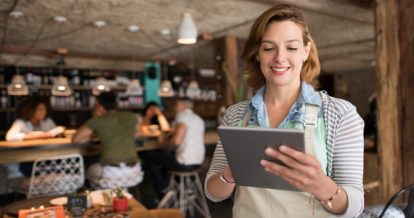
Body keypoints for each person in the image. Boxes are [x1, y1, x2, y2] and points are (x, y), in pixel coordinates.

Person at [205, 4, 364, 218]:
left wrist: (321, 186)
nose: (280, 57)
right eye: (269, 48)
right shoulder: (236, 115)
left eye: (291, 47)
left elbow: (355, 207)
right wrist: (230, 173)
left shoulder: (339, 114)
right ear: (258, 54)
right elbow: (213, 193)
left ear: (305, 52)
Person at [72, 92, 143, 189]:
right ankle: (119, 196)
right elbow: (138, 134)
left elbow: (76, 139)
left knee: (87, 171)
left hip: (112, 173)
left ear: (98, 105)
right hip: (134, 171)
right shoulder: (131, 116)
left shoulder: (98, 120)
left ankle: (99, 196)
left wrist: (96, 124)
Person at [140, 97, 205, 198]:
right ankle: (183, 189)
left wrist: (162, 142)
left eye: (177, 105)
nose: (174, 108)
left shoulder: (183, 116)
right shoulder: (198, 119)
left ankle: (163, 193)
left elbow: (176, 141)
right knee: (163, 158)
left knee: (149, 157)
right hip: (198, 163)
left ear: (184, 106)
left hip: (184, 163)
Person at [6, 96, 64, 177]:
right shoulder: (21, 122)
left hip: (45, 158)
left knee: (60, 164)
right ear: (31, 110)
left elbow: (56, 133)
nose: (44, 112)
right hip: (26, 160)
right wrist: (44, 135)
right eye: (41, 110)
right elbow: (10, 136)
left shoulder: (47, 121)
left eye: (45, 110)